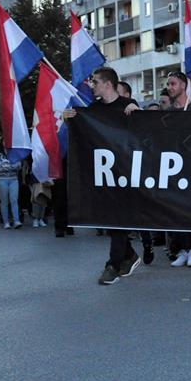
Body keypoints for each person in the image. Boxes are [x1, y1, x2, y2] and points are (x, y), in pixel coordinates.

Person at [64, 67, 141, 285]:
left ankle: (113, 265)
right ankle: (129, 255)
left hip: (127, 173)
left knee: (116, 218)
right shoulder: (94, 109)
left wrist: (139, 114)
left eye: (95, 81)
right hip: (104, 174)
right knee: (110, 218)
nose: (91, 85)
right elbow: (85, 132)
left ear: (107, 84)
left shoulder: (128, 106)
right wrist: (69, 118)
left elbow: (145, 134)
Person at [161, 71, 191, 268]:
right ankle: (183, 250)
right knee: (176, 210)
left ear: (183, 86)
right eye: (168, 84)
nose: (169, 87)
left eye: (173, 83)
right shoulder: (167, 113)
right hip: (172, 168)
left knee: (190, 209)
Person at [0, 140, 22, 229]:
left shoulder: (15, 153)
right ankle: (6, 222)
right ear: (2, 143)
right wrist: (12, 165)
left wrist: (8, 165)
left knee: (14, 200)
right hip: (2, 180)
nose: (6, 142)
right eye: (5, 140)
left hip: (14, 179)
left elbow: (19, 165)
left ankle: (16, 221)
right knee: (4, 201)